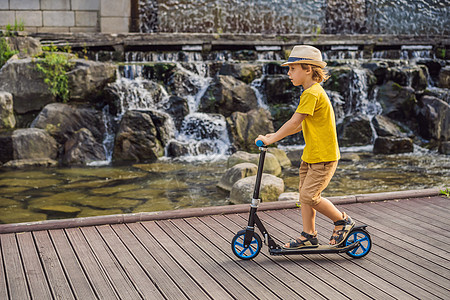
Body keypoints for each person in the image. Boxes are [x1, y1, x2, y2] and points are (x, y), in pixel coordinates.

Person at [255, 45, 354, 249]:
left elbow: (293, 122)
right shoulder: (312, 92)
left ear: (308, 69)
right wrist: (272, 136)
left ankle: (342, 221)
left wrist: (271, 140)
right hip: (312, 155)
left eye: (292, 68)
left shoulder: (311, 93)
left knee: (310, 196)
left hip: (323, 157)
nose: (289, 73)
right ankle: (309, 234)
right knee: (304, 196)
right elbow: (300, 125)